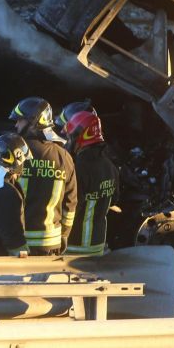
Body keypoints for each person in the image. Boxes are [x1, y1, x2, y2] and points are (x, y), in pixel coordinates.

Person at [8, 96, 77, 255]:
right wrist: (64, 235)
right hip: (50, 245)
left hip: (18, 244)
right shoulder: (64, 157)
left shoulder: (14, 154)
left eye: (20, 120)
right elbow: (70, 203)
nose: (16, 125)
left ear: (33, 122)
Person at [63, 109, 119, 256]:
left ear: (79, 137)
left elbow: (72, 205)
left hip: (75, 245)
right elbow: (114, 200)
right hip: (98, 243)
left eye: (69, 137)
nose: (68, 142)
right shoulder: (110, 167)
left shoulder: (79, 168)